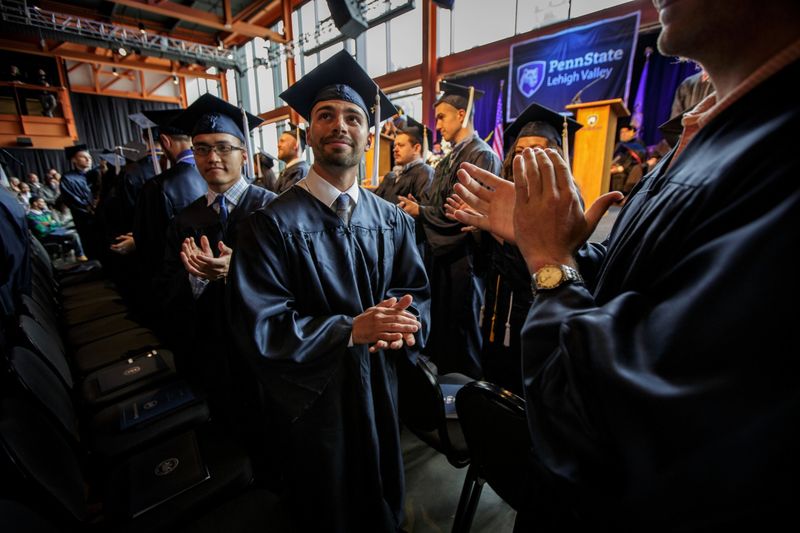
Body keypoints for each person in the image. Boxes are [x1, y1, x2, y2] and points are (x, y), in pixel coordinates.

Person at [450, 0, 800, 528]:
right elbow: (640, 282)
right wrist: (553, 245)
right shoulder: (711, 135)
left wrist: (549, 258)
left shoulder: (779, 159)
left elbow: (604, 421)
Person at [227, 49, 430, 533]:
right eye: (326, 115)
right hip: (314, 401)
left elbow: (416, 291)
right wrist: (349, 330)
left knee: (381, 491)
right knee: (324, 503)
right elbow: (262, 323)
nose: (340, 125)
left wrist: (403, 324)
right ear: (309, 131)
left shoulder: (394, 220)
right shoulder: (269, 226)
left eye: (353, 117)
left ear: (368, 132)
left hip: (379, 386)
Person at [158, 93, 276, 409]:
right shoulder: (184, 220)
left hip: (266, 346)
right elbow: (168, 286)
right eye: (202, 149)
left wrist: (237, 268)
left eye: (224, 147)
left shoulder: (274, 210)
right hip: (212, 347)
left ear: (244, 155)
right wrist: (196, 278)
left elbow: (298, 277)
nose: (213, 157)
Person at [453, 102, 580, 395]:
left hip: (532, 315)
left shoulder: (565, 202)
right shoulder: (504, 196)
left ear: (556, 155)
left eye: (537, 149)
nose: (526, 158)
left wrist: (504, 237)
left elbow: (543, 272)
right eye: (520, 151)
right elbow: (484, 268)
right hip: (495, 313)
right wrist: (480, 232)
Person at [399, 80, 502, 379]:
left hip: (464, 256)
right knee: (444, 322)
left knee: (463, 324)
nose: (438, 125)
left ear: (461, 114)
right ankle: (446, 385)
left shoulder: (482, 155)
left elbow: (470, 213)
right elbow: (438, 202)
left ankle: (466, 389)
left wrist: (422, 211)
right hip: (443, 252)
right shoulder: (451, 157)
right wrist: (424, 208)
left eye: (442, 117)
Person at [131, 109, 206, 301]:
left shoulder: (157, 186)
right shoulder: (217, 176)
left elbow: (149, 244)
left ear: (165, 141)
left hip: (177, 282)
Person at [372, 116, 433, 203]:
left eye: (400, 145)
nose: (395, 149)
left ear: (416, 148)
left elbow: (422, 210)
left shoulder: (425, 173)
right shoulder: (390, 176)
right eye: (395, 145)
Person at [60, 144, 100, 258]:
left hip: (102, 218)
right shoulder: (68, 178)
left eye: (90, 157)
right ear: (73, 160)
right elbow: (72, 201)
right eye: (83, 157)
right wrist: (92, 211)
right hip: (85, 221)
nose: (88, 160)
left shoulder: (98, 173)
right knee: (92, 248)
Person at [26, 196, 87, 261]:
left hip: (56, 231)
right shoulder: (31, 216)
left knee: (76, 231)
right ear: (35, 203)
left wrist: (49, 224)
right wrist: (51, 224)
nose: (44, 203)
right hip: (45, 236)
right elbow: (41, 230)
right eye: (42, 202)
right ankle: (80, 255)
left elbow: (57, 224)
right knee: (74, 235)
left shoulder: (46, 212)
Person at [609, 123, 646, 195]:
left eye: (625, 132)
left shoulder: (638, 144)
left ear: (633, 132)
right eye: (621, 132)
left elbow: (637, 160)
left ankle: (619, 198)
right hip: (615, 167)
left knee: (619, 175)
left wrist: (622, 168)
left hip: (630, 169)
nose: (623, 134)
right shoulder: (619, 144)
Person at [273, 125, 309, 193]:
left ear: (296, 145)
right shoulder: (288, 170)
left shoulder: (299, 171)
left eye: (282, 141)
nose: (278, 145)